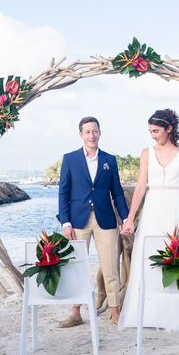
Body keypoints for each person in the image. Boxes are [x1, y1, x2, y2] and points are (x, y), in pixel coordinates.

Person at [119, 109, 179, 331]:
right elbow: (140, 187)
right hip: (153, 209)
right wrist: (130, 218)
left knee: (176, 256)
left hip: (175, 204)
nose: (152, 135)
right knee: (149, 258)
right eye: (150, 131)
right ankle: (149, 314)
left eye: (156, 131)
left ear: (169, 129)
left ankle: (177, 315)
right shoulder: (146, 153)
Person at [57, 117, 129, 326]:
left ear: (100, 133)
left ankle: (114, 311)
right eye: (87, 132)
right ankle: (76, 313)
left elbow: (116, 192)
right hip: (77, 221)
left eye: (95, 131)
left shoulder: (110, 160)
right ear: (81, 134)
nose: (91, 135)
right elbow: (63, 192)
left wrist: (125, 218)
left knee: (110, 266)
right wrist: (65, 223)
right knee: (76, 267)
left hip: (105, 220)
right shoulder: (69, 159)